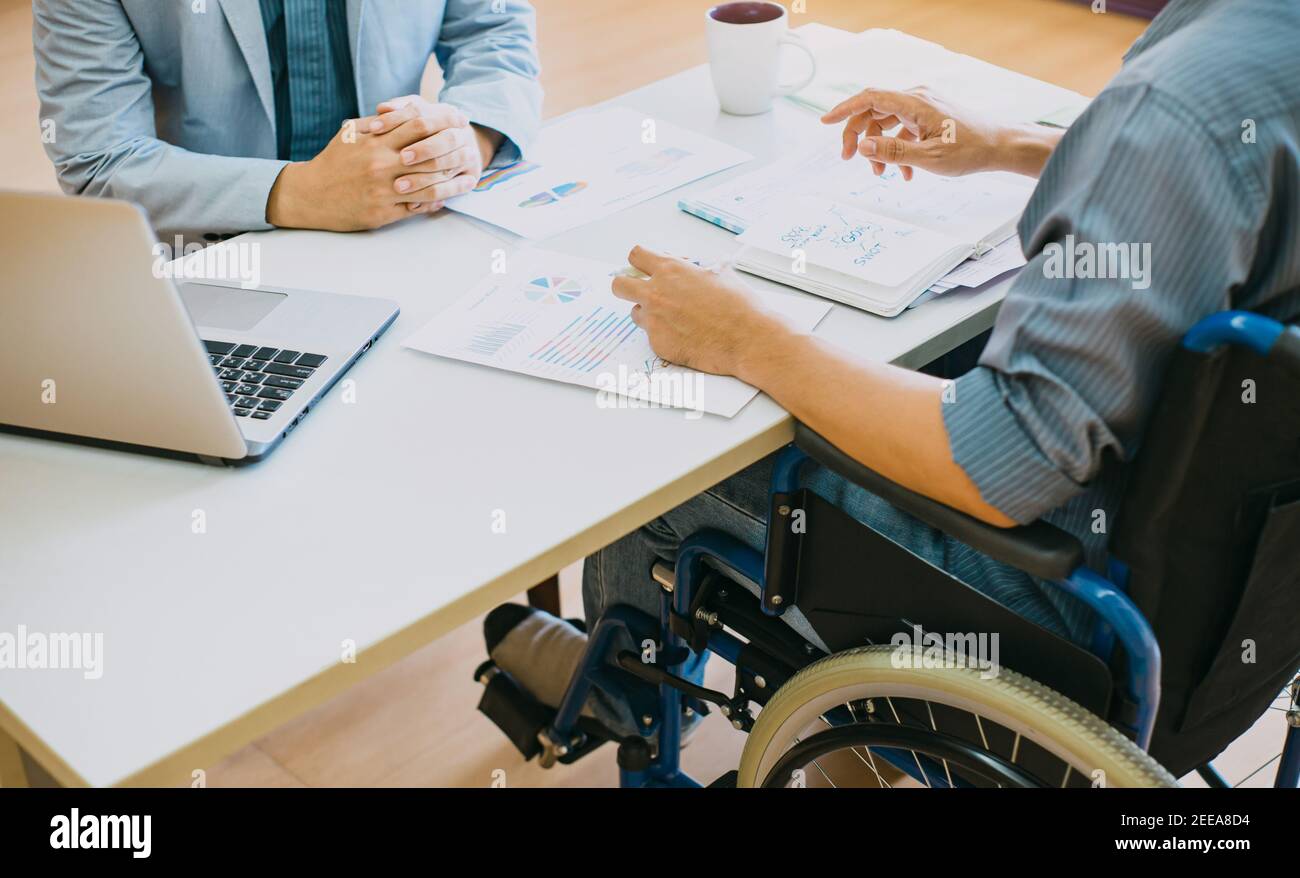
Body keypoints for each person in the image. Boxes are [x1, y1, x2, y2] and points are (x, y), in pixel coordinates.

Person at [485, 0, 1300, 738]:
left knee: (687, 428)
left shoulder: (1174, 108)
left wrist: (745, 340)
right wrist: (1013, 147)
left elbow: (995, 465)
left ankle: (619, 696)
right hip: (1239, 618)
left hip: (1062, 627)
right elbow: (1223, 175)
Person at [33, 0, 542, 244]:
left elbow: (493, 29)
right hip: (212, 256)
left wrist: (468, 141)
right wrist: (300, 193)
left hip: (406, 226)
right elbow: (99, 160)